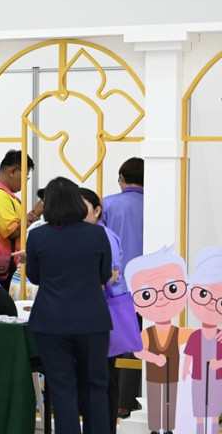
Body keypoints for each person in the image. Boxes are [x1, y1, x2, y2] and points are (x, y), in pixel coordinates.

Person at [25, 177, 112, 434]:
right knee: (95, 385)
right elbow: (104, 274)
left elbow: (34, 277)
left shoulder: (37, 236)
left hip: (51, 321)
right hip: (92, 320)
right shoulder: (97, 234)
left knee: (62, 387)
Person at [125, 247, 191, 434]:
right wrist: (154, 358)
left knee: (170, 409)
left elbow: (198, 339)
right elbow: (138, 350)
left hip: (174, 381)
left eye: (172, 289)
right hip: (154, 380)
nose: (161, 299)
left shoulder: (180, 333)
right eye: (146, 295)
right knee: (155, 410)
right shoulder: (147, 334)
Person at [80, 187, 128, 434]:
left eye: (83, 206)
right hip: (93, 311)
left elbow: (113, 273)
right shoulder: (84, 234)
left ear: (97, 210)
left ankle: (107, 427)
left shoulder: (104, 235)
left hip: (106, 310)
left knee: (105, 374)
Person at [101, 157, 144, 418]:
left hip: (114, 284)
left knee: (111, 342)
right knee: (138, 343)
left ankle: (114, 402)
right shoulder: (157, 203)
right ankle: (130, 402)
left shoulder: (108, 204)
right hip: (149, 285)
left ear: (121, 178)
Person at [0, 149, 42, 291]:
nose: (25, 182)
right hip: (2, 269)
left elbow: (16, 224)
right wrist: (36, 214)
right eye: (25, 176)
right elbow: (13, 231)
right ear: (13, 172)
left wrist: (33, 214)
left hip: (9, 266)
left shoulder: (7, 196)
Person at [183, 247, 222, 434]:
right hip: (198, 379)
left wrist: (218, 363)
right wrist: (185, 371)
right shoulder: (195, 336)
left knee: (213, 412)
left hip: (216, 380)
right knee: (199, 412)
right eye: (204, 295)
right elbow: (188, 357)